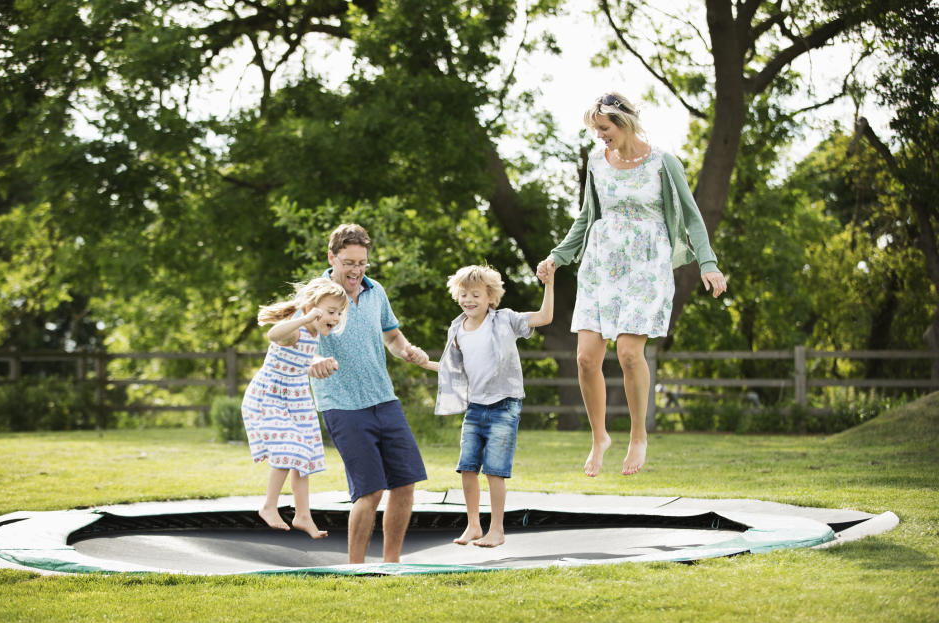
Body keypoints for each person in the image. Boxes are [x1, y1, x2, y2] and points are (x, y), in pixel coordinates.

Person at [536, 91, 727, 478]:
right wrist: (558, 255)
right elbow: (587, 217)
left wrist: (708, 262)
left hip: (646, 264)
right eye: (596, 131)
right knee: (586, 357)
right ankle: (600, 437)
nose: (599, 136)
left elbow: (692, 216)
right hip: (600, 264)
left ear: (622, 123)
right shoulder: (596, 162)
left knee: (627, 353)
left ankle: (638, 435)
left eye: (604, 129)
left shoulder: (662, 162)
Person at [308, 223, 430, 564]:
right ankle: (356, 568)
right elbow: (295, 343)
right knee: (370, 490)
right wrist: (314, 359)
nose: (356, 270)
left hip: (384, 399)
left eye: (362, 263)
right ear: (332, 257)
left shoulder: (376, 292)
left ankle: (391, 565)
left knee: (405, 484)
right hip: (342, 404)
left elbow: (392, 337)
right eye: (349, 263)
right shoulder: (315, 296)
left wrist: (408, 350)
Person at [424, 265, 554, 547]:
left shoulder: (504, 320)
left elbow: (545, 317)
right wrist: (425, 363)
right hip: (475, 408)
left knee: (495, 470)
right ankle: (473, 526)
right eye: (464, 294)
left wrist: (550, 283)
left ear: (490, 298)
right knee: (468, 467)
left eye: (475, 295)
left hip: (504, 405)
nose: (469, 300)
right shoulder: (457, 329)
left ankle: (496, 530)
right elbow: (453, 371)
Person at [241, 278, 349, 538]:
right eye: (331, 312)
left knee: (306, 454)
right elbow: (274, 334)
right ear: (313, 307)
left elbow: (302, 355)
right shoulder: (297, 328)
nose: (335, 318)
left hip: (297, 398)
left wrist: (321, 360)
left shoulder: (312, 335)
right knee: (290, 447)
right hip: (271, 396)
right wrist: (305, 317)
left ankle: (303, 515)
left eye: (339, 313)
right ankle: (269, 506)